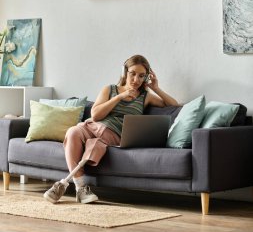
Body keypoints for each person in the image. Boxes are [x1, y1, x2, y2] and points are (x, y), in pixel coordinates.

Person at [43, 54, 178, 204]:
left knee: (94, 146)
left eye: (141, 76)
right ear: (124, 72)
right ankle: (80, 188)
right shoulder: (110, 89)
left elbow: (174, 105)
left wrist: (156, 88)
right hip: (92, 127)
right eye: (132, 74)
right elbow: (95, 115)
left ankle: (76, 187)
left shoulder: (145, 97)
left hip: (112, 135)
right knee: (72, 132)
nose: (136, 80)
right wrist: (119, 97)